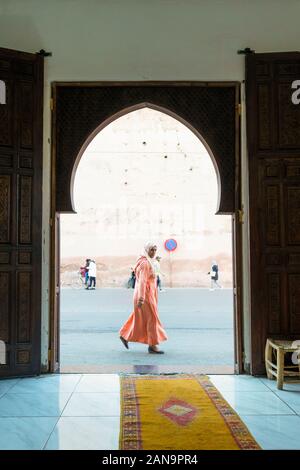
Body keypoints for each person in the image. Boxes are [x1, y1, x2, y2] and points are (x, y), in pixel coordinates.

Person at [119, 242, 167, 354]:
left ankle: (125, 335)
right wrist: (141, 298)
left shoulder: (148, 261)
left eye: (155, 250)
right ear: (146, 250)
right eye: (151, 250)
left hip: (148, 293)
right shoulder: (145, 263)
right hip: (144, 294)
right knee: (152, 319)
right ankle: (153, 345)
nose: (153, 252)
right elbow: (142, 281)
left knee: (139, 317)